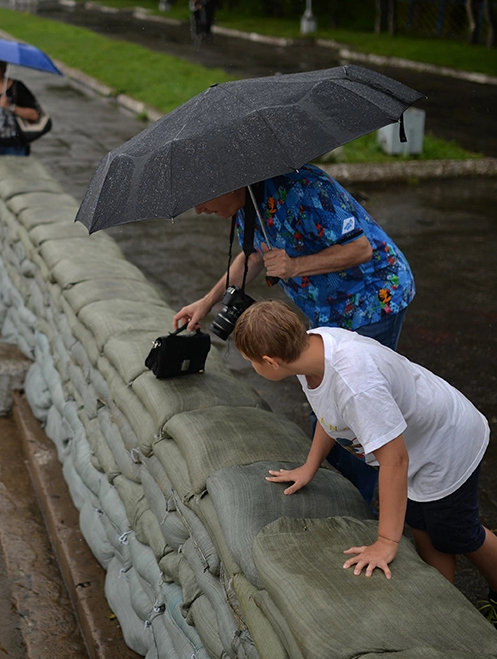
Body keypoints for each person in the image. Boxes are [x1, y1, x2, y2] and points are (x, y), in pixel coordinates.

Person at [232, 299, 497, 640]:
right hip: (415, 446)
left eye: (251, 362)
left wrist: (386, 541)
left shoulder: (355, 385)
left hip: (445, 446)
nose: (252, 367)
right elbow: (331, 415)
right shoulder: (309, 351)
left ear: (271, 361)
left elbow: (395, 461)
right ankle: (440, 611)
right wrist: (309, 466)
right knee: (424, 528)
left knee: (458, 533)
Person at [173, 164, 415, 505]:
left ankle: (359, 505)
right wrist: (206, 302)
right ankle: (333, 483)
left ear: (229, 185)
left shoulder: (305, 188)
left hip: (373, 299)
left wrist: (296, 266)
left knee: (356, 405)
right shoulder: (247, 202)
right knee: (326, 397)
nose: (199, 209)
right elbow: (254, 255)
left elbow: (361, 249)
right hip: (326, 309)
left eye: (201, 199)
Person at [0, 59, 41, 156]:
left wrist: (10, 107)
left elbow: (34, 115)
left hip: (17, 145)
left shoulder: (17, 87)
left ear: (3, 68)